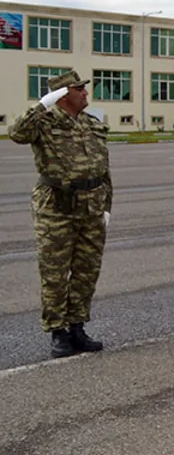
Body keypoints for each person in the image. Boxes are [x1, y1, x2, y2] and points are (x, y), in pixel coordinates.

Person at [10, 70, 111, 358]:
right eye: (79, 89)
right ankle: (57, 331)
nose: (85, 93)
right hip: (57, 206)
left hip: (92, 205)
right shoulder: (44, 122)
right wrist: (42, 105)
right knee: (55, 272)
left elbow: (104, 169)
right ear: (64, 95)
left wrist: (107, 206)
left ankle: (77, 327)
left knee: (86, 270)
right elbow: (16, 132)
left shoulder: (92, 124)